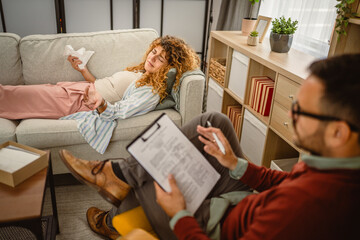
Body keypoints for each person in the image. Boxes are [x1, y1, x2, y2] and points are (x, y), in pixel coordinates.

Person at [60, 53, 360, 240]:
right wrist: (236, 164)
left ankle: (114, 209)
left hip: (213, 224)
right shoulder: (330, 166)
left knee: (155, 180)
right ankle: (120, 175)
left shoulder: (309, 209)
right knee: (216, 121)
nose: (290, 115)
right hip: (240, 199)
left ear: (338, 132)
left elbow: (292, 196)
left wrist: (179, 215)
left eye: (300, 111)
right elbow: (284, 181)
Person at [0, 35, 200, 153]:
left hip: (79, 100)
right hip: (77, 90)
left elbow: (121, 110)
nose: (153, 58)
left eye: (161, 59)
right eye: (154, 52)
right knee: (14, 95)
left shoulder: (151, 92)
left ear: (169, 68)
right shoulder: (141, 73)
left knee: (10, 96)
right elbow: (103, 85)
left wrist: (101, 102)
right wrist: (83, 70)